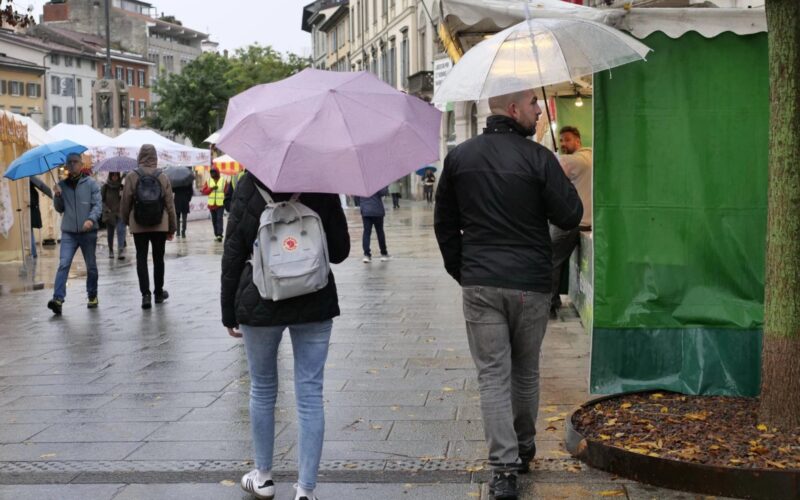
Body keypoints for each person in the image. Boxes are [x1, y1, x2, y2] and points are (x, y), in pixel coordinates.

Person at [434, 89, 582, 500]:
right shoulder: (539, 158)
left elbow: (443, 221)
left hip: (481, 279)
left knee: (493, 376)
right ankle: (524, 446)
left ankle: (503, 469)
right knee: (525, 370)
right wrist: (561, 182)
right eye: (534, 105)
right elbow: (570, 215)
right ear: (514, 110)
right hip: (531, 283)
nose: (539, 112)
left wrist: (462, 270)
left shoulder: (461, 157)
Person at [220, 172, 350, 500]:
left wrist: (228, 311)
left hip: (260, 299)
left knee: (263, 389)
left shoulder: (249, 183)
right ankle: (305, 490)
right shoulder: (322, 181)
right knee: (309, 394)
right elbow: (340, 251)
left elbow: (233, 252)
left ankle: (263, 477)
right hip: (315, 299)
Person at [120, 144, 177, 310]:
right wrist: (172, 228)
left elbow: (125, 203)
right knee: (159, 259)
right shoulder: (162, 176)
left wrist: (127, 222)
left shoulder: (132, 176)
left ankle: (145, 295)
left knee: (141, 258)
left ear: (139, 157)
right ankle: (158, 293)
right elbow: (170, 205)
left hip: (139, 224)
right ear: (155, 157)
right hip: (160, 224)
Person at [47, 153, 102, 315]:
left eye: (75, 162)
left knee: (91, 266)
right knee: (63, 264)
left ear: (81, 163)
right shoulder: (62, 185)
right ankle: (57, 299)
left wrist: (91, 220)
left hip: (88, 232)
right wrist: (57, 196)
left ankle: (92, 295)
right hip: (69, 232)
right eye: (69, 163)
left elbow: (97, 205)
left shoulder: (91, 184)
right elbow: (59, 209)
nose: (71, 165)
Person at [550, 126, 593, 317]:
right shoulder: (592, 156)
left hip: (572, 221)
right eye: (560, 141)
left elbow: (553, 170)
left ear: (578, 140)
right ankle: (554, 298)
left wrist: (554, 156)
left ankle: (549, 303)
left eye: (567, 140)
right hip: (588, 221)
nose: (563, 144)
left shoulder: (572, 160)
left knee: (551, 260)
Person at [359, 187, 390, 263]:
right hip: (377, 211)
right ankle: (384, 254)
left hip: (365, 211)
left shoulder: (362, 183)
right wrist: (385, 186)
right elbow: (383, 193)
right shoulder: (376, 182)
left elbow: (357, 196)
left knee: (366, 233)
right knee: (380, 232)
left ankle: (367, 255)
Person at [101, 172, 127, 259]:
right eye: (113, 175)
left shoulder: (121, 187)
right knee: (110, 233)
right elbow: (101, 200)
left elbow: (125, 199)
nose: (115, 177)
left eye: (116, 175)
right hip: (109, 213)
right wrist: (106, 209)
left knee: (121, 230)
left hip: (119, 212)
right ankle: (111, 250)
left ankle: (120, 250)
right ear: (110, 176)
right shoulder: (105, 187)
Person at [29, 176, 52, 259]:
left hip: (30, 209)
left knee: (29, 229)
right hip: (30, 208)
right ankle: (33, 252)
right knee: (29, 229)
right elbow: (42, 186)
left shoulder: (29, 178)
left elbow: (42, 187)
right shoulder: (30, 177)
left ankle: (33, 252)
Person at [202, 167, 226, 242]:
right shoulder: (208, 181)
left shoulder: (223, 181)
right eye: (211, 173)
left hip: (220, 204)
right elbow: (204, 191)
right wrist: (211, 188)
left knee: (219, 219)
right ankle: (216, 234)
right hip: (212, 204)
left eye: (214, 172)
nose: (212, 174)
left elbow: (226, 191)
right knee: (214, 220)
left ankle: (219, 234)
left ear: (217, 173)